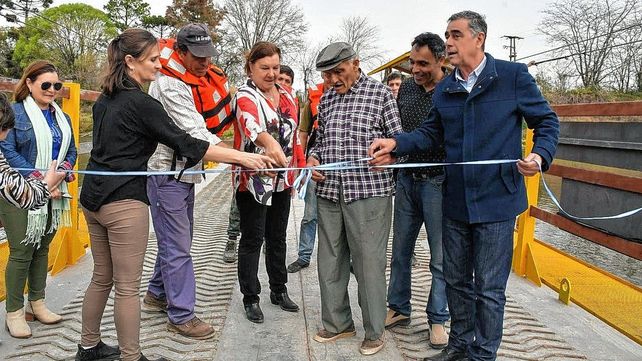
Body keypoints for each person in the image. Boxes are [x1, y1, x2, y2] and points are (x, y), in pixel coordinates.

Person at [369, 11, 559, 361]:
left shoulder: (513, 77)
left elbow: (546, 121)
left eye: (455, 35)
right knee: (456, 282)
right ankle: (458, 349)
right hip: (454, 198)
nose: (449, 42)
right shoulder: (447, 87)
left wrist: (538, 157)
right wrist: (396, 145)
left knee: (488, 288)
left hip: (497, 201)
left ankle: (483, 355)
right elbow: (431, 133)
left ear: (479, 38)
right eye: (447, 35)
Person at [76, 29, 272, 361]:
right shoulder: (143, 103)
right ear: (130, 62)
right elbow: (188, 142)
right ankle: (132, 355)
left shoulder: (105, 100)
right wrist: (243, 156)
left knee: (101, 277)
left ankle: (88, 346)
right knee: (126, 287)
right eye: (153, 60)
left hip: (92, 198)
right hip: (124, 203)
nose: (158, 64)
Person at [306, 42, 403, 356]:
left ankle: (374, 331)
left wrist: (392, 154)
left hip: (368, 193)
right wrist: (313, 160)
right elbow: (319, 142)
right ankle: (337, 324)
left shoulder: (381, 95)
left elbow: (398, 142)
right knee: (330, 262)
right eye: (328, 73)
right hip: (329, 192)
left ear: (356, 64)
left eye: (339, 71)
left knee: (368, 265)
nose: (333, 79)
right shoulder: (327, 99)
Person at [142, 23, 236, 339]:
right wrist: (242, 158)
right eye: (197, 56)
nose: (205, 63)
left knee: (177, 240)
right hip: (165, 176)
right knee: (178, 246)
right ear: (181, 53)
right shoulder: (168, 85)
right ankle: (181, 314)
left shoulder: (192, 80)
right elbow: (195, 132)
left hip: (186, 175)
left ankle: (156, 293)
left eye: (208, 55)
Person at [0, 60, 77, 339]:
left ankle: (38, 303)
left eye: (57, 85)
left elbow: (72, 150)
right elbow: (7, 152)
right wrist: (42, 180)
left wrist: (62, 174)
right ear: (29, 84)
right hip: (20, 192)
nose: (52, 90)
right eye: (45, 84)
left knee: (43, 247)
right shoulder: (15, 114)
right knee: (22, 251)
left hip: (55, 191)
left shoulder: (62, 117)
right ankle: (14, 313)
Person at [384, 32, 450, 348]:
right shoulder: (407, 87)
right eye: (412, 62)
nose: (415, 69)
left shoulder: (452, 90)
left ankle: (438, 319)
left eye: (423, 63)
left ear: (441, 60)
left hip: (438, 182)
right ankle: (398, 308)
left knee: (440, 256)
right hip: (407, 178)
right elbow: (397, 129)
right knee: (400, 250)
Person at [232, 41, 304, 324]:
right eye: (265, 68)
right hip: (253, 180)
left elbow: (295, 133)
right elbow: (252, 126)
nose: (272, 73)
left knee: (278, 236)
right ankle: (251, 297)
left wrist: (296, 164)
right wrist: (270, 145)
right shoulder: (244, 95)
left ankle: (279, 289)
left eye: (275, 67)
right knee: (252, 238)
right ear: (251, 68)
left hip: (282, 180)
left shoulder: (287, 95)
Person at [286, 72, 332, 273]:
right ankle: (304, 255)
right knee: (310, 215)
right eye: (327, 74)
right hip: (315, 165)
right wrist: (301, 165)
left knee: (343, 219)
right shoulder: (313, 100)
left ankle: (343, 259)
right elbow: (302, 133)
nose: (331, 77)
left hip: (343, 168)